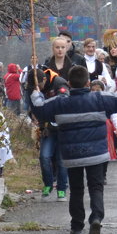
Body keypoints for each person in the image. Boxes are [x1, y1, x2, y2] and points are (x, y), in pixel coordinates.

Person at [31, 65, 117, 234]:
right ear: (88, 82)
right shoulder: (99, 99)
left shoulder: (60, 102)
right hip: (96, 153)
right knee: (96, 186)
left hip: (72, 155)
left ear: (69, 83)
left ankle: (76, 224)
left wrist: (36, 92)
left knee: (77, 188)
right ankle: (96, 218)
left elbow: (39, 109)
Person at [28, 37, 78, 199]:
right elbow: (33, 105)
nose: (60, 50)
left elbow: (66, 102)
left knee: (62, 159)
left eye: (63, 47)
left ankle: (62, 187)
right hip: (48, 128)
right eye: (57, 47)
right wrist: (36, 119)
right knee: (44, 156)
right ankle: (48, 183)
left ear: (44, 80)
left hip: (63, 126)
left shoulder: (59, 83)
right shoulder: (35, 83)